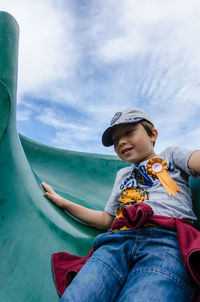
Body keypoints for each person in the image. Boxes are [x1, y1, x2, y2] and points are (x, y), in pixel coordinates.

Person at [42, 108, 200, 302]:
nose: (121, 142)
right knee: (79, 295)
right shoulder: (122, 176)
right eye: (116, 140)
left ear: (153, 134)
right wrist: (63, 202)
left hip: (166, 241)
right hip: (117, 242)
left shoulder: (171, 155)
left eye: (129, 132)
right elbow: (105, 220)